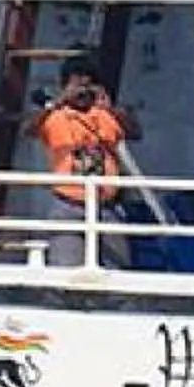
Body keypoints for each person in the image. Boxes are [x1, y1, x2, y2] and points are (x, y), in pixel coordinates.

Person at [31, 59, 138, 267]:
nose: (82, 93)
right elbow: (29, 128)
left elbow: (134, 132)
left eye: (88, 86)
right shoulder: (56, 116)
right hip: (69, 204)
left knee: (118, 268)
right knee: (65, 267)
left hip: (107, 206)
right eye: (76, 87)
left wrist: (110, 108)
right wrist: (58, 101)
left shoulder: (106, 115)